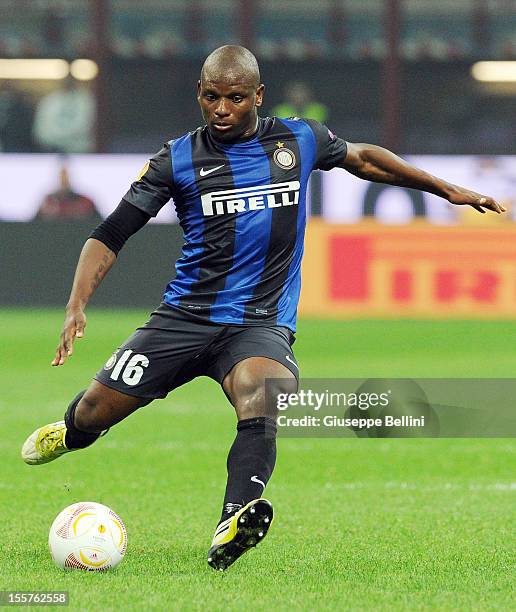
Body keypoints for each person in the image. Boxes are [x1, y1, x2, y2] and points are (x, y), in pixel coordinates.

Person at [21, 45, 504, 571]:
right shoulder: (176, 159)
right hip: (183, 318)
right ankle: (69, 432)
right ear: (199, 95)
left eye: (234, 98)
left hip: (259, 324)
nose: (221, 109)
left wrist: (446, 188)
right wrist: (77, 303)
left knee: (265, 392)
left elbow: (363, 158)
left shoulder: (298, 139)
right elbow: (113, 232)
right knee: (94, 413)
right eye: (211, 97)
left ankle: (234, 519)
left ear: (258, 96)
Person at [32, 75, 95, 154]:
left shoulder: (85, 100)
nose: (67, 83)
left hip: (79, 150)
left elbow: (85, 124)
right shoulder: (50, 100)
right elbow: (42, 127)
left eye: (70, 81)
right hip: (51, 149)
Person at [36, 164, 101, 221]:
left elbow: (99, 223)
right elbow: (35, 225)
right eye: (61, 176)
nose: (64, 179)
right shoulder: (49, 202)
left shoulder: (85, 201)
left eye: (66, 176)